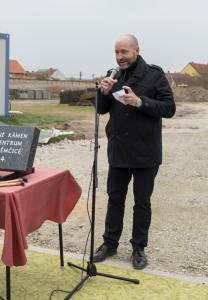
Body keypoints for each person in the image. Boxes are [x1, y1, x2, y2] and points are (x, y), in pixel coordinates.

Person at [94, 34, 176, 269]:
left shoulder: (154, 74)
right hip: (118, 150)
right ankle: (109, 243)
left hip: (145, 152)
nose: (120, 57)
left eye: (124, 52)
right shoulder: (114, 75)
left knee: (142, 202)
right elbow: (101, 110)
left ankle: (138, 248)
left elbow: (169, 108)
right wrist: (103, 92)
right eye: (117, 52)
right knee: (114, 200)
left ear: (136, 51)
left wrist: (139, 102)